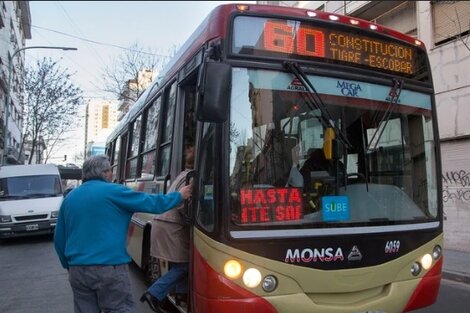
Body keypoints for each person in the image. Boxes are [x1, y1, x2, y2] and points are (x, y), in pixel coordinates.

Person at [53, 155, 192, 313]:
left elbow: (59, 240)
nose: (112, 174)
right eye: (111, 170)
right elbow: (154, 204)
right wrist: (179, 195)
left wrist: (69, 265)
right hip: (110, 268)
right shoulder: (115, 192)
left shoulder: (70, 198)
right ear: (104, 173)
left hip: (78, 271)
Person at [140, 143, 194, 313]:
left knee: (180, 264)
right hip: (172, 227)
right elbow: (182, 204)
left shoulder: (184, 174)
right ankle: (154, 293)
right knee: (185, 265)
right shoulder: (193, 177)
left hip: (164, 224)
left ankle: (181, 296)